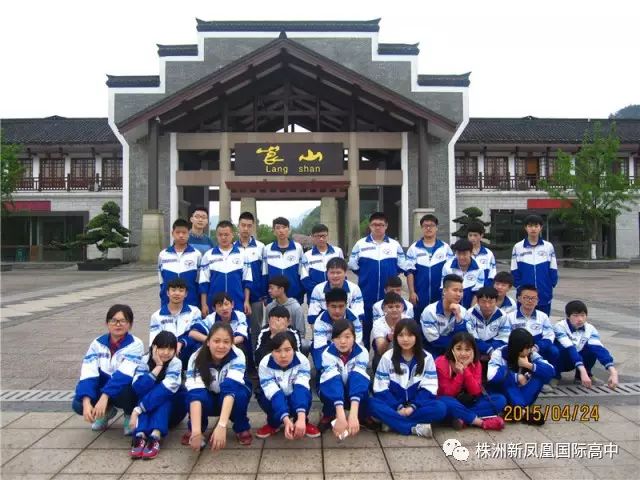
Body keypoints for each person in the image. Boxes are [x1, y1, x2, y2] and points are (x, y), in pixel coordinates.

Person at [369, 319, 448, 437]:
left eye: (410, 335)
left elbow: (430, 387)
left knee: (440, 408)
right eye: (401, 335)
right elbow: (380, 388)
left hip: (416, 406)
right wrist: (399, 407)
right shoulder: (387, 357)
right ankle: (413, 428)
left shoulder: (427, 358)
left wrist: (412, 407)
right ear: (395, 337)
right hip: (394, 405)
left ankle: (391, 421)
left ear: (417, 337)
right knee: (371, 403)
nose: (405, 339)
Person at [72, 304, 143, 435]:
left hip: (124, 389)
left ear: (130, 324)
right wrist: (86, 402)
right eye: (113, 320)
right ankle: (106, 412)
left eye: (123, 321)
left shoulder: (136, 344)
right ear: (107, 323)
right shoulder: (97, 343)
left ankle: (129, 414)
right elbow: (88, 372)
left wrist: (104, 398)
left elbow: (124, 374)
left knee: (126, 389)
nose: (118, 324)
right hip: (103, 386)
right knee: (78, 404)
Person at [184, 323, 253, 449]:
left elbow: (230, 390)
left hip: (229, 397)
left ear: (232, 343)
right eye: (216, 341)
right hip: (208, 396)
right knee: (191, 395)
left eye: (226, 342)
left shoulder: (238, 355)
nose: (221, 346)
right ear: (208, 342)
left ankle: (241, 426)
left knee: (240, 394)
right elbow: (195, 394)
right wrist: (196, 432)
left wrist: (221, 425)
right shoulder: (196, 357)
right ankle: (197, 427)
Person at [348, 212, 409, 348]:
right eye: (375, 224)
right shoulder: (360, 244)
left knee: (386, 326)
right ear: (370, 226)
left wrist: (391, 275)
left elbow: (402, 265)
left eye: (381, 225)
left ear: (386, 226)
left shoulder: (394, 245)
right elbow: (352, 265)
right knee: (365, 325)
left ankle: (382, 354)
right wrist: (366, 275)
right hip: (366, 292)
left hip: (388, 295)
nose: (378, 227)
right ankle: (364, 353)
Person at [254, 331, 321, 439]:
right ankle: (273, 424)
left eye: (288, 350)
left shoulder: (302, 361)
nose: (283, 355)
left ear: (294, 350)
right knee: (266, 398)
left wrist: (301, 417)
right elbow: (273, 393)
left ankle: (303, 422)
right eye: (277, 351)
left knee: (305, 394)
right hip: (275, 396)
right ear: (271, 352)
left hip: (294, 393)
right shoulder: (264, 364)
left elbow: (301, 388)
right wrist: (285, 419)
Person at [129, 331, 185, 459]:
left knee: (163, 397)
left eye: (170, 349)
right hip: (148, 404)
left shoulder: (176, 363)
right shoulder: (144, 360)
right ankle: (141, 435)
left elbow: (166, 389)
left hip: (173, 410)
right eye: (162, 348)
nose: (166, 352)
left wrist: (138, 410)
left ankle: (156, 435)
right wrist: (158, 366)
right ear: (154, 347)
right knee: (147, 393)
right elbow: (138, 387)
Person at [435, 332, 506, 431]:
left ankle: (461, 418)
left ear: (473, 351)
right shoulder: (441, 362)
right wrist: (460, 374)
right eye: (458, 349)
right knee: (444, 402)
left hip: (468, 402)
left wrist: (465, 369)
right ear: (452, 349)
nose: (463, 353)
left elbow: (475, 391)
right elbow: (448, 393)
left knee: (500, 400)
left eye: (467, 350)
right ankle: (480, 422)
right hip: (449, 401)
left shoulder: (476, 364)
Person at [487, 328, 555, 425]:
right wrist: (516, 377)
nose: (530, 350)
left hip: (524, 395)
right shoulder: (499, 353)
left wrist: (529, 365)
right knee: (507, 379)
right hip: (505, 394)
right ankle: (523, 413)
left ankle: (516, 411)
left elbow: (551, 370)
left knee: (540, 376)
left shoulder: (531, 354)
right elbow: (491, 376)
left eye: (531, 347)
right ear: (517, 347)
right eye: (527, 347)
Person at [318, 319, 371, 437]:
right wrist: (341, 416)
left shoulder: (362, 352)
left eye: (347, 337)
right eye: (338, 337)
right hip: (336, 390)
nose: (342, 341)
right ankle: (329, 414)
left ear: (354, 337)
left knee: (361, 383)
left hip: (354, 389)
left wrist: (353, 414)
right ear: (332, 339)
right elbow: (332, 380)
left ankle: (361, 416)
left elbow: (359, 379)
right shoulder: (327, 353)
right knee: (328, 386)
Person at [552, 300, 618, 389]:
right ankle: (554, 376)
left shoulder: (590, 328)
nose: (580, 319)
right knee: (556, 350)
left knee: (592, 350)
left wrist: (613, 371)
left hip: (576, 358)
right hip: (562, 359)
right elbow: (570, 348)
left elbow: (599, 349)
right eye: (575, 315)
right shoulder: (559, 326)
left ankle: (581, 376)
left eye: (583, 315)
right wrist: (583, 371)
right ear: (568, 316)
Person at [509, 285, 558, 392]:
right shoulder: (510, 317)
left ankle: (545, 380)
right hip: (518, 348)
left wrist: (537, 346)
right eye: (526, 297)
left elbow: (549, 335)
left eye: (533, 298)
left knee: (554, 351)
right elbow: (507, 336)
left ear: (537, 301)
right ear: (519, 298)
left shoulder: (543, 316)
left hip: (537, 346)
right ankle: (517, 377)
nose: (530, 301)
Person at [199, 220, 252, 317]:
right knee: (216, 326)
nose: (223, 237)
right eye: (220, 235)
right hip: (215, 303)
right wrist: (204, 304)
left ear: (232, 235)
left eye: (226, 235)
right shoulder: (208, 255)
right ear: (216, 236)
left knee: (237, 325)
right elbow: (203, 282)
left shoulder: (243, 255)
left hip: (237, 301)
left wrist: (246, 301)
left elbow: (247, 281)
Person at [406, 213, 454, 320]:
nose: (428, 228)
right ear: (422, 228)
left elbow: (451, 273)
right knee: (418, 320)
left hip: (440, 293)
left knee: (440, 319)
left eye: (431, 225)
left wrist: (448, 292)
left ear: (436, 228)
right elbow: (409, 272)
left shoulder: (445, 248)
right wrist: (412, 292)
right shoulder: (414, 248)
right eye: (425, 226)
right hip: (420, 293)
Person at [510, 214, 558, 315]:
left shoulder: (548, 246)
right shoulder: (518, 247)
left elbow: (553, 268)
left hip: (544, 292)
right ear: (525, 228)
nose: (533, 229)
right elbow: (514, 269)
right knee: (523, 321)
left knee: (543, 320)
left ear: (541, 228)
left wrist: (551, 283)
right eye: (530, 226)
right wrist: (519, 286)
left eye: (536, 226)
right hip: (524, 294)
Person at [149, 277, 202, 368]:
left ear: (186, 294)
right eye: (173, 290)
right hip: (166, 356)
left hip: (188, 353)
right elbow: (154, 342)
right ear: (167, 293)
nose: (177, 293)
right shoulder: (156, 316)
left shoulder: (194, 312)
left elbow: (196, 335)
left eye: (181, 291)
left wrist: (181, 342)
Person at [234, 211, 266, 355]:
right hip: (238, 296)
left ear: (253, 227)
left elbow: (264, 272)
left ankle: (256, 357)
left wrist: (264, 294)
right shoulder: (232, 248)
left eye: (249, 226)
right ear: (238, 226)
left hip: (256, 297)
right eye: (243, 225)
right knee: (239, 328)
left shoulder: (261, 247)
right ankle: (243, 358)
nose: (246, 229)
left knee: (256, 329)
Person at [189, 293, 251, 362]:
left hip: (234, 344)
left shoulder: (240, 316)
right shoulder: (210, 318)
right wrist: (211, 341)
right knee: (198, 346)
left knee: (241, 347)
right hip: (215, 347)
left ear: (232, 304)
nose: (224, 308)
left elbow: (240, 338)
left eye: (226, 304)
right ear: (214, 309)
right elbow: (192, 333)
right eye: (220, 306)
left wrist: (225, 344)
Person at [312, 288, 363, 369]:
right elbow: (320, 348)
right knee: (320, 366)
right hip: (328, 350)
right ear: (326, 305)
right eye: (333, 306)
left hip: (348, 348)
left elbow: (356, 343)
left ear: (346, 305)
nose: (337, 311)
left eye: (341, 306)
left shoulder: (354, 318)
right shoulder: (320, 321)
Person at [157, 218, 202, 308]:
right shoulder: (163, 254)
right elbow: (161, 280)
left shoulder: (196, 254)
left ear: (188, 234)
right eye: (177, 232)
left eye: (184, 232)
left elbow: (199, 280)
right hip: (168, 303)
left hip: (191, 302)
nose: (181, 235)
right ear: (172, 233)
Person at [420, 274, 467, 356]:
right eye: (455, 290)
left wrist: (458, 316)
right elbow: (434, 341)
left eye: (461, 291)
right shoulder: (430, 311)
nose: (459, 294)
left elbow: (464, 337)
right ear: (444, 291)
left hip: (456, 353)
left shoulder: (463, 311)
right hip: (432, 353)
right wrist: (457, 343)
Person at [307, 257, 364, 325]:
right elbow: (312, 318)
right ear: (327, 273)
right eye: (332, 272)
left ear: (345, 273)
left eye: (338, 272)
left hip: (348, 327)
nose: (335, 276)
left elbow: (358, 317)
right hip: (324, 327)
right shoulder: (318, 289)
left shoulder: (354, 289)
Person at [262, 217, 306, 305]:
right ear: (273, 231)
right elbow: (264, 273)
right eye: (278, 228)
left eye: (284, 227)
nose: (281, 231)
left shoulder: (298, 248)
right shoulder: (267, 249)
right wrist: (265, 294)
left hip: (294, 296)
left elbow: (302, 272)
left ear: (289, 230)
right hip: (273, 298)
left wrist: (300, 293)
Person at [464, 287, 511, 357]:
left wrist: (492, 350)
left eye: (491, 302)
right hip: (474, 350)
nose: (487, 305)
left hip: (495, 351)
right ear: (478, 301)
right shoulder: (470, 313)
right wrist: (488, 349)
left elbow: (504, 337)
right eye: (483, 302)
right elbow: (470, 336)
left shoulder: (503, 316)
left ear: (496, 301)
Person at [301, 223, 344, 297]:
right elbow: (304, 278)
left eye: (323, 236)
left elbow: (343, 273)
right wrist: (320, 291)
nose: (321, 239)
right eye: (318, 236)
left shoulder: (338, 252)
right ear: (312, 237)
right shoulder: (307, 255)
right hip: (315, 296)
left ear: (327, 236)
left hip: (335, 295)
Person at [441, 239, 484, 309]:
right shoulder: (447, 267)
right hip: (451, 306)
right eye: (458, 254)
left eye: (464, 254)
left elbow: (477, 293)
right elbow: (444, 291)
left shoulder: (480, 268)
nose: (461, 257)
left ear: (471, 253)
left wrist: (470, 312)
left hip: (471, 306)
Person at [264, 275, 306, 347]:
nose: (269, 291)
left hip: (291, 343)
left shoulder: (296, 308)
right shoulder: (269, 307)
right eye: (269, 288)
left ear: (281, 289)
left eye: (272, 288)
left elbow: (301, 332)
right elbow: (266, 327)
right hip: (273, 343)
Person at [371, 292, 406, 369]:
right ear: (384, 308)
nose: (394, 310)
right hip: (385, 354)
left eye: (397, 306)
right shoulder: (378, 323)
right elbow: (380, 351)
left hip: (404, 353)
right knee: (377, 361)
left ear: (402, 307)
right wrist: (388, 338)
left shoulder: (408, 321)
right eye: (390, 307)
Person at [467, 221, 497, 287]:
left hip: (483, 290)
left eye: (475, 235)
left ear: (481, 235)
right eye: (470, 235)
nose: (472, 238)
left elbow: (492, 274)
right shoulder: (462, 253)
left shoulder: (488, 254)